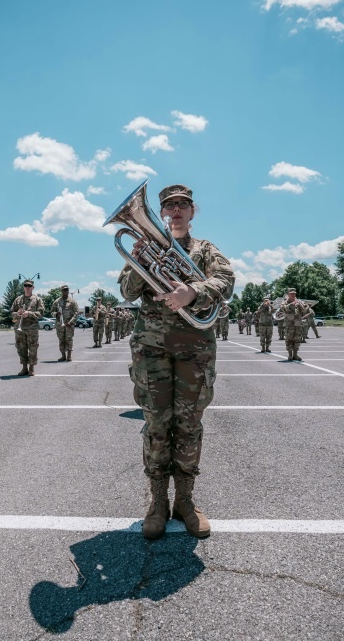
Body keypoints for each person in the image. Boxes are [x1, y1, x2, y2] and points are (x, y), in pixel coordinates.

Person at [118, 183, 235, 540]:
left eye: (183, 205)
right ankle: (157, 502)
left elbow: (226, 280)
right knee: (156, 425)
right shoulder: (144, 247)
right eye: (169, 206)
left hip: (194, 350)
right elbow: (126, 292)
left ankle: (185, 501)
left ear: (192, 211)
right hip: (151, 350)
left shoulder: (205, 250)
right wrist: (138, 263)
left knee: (188, 426)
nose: (176, 211)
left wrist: (192, 291)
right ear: (161, 213)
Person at [11, 280, 44, 376]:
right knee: (21, 348)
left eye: (29, 286)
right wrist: (17, 314)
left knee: (33, 348)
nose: (27, 287)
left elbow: (41, 313)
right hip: (19, 328)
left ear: (33, 287)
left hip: (32, 328)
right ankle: (24, 367)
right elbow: (11, 312)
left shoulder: (37, 299)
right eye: (25, 285)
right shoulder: (18, 300)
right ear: (23, 287)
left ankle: (32, 368)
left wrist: (29, 314)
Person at [279, 288, 309, 361]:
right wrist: (292, 304)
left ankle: (295, 355)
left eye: (294, 293)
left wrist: (304, 306)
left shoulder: (299, 302)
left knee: (297, 339)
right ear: (288, 294)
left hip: (298, 324)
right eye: (291, 293)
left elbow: (305, 311)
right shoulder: (284, 302)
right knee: (289, 339)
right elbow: (283, 309)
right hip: (289, 325)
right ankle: (290, 355)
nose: (293, 294)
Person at [51, 285, 78, 361]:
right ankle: (63, 355)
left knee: (69, 339)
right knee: (61, 340)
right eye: (64, 290)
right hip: (60, 324)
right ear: (61, 291)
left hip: (69, 324)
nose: (66, 291)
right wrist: (56, 313)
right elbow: (52, 312)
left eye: (67, 290)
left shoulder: (72, 301)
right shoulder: (57, 301)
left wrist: (71, 322)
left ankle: (69, 355)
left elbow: (76, 313)